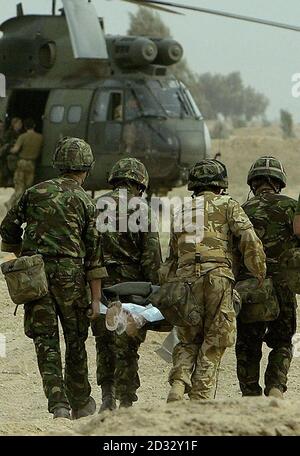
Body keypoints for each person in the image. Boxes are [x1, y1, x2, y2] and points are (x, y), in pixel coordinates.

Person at [0, 137, 108, 419]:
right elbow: (95, 258)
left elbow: (7, 229)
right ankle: (81, 402)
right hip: (71, 279)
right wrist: (96, 300)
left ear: (58, 163)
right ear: (86, 168)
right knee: (75, 341)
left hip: (35, 277)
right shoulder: (86, 201)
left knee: (45, 342)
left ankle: (58, 404)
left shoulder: (34, 192)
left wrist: (22, 252)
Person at [163, 159, 266, 402]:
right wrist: (258, 269)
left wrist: (171, 287)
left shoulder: (181, 211)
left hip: (185, 280)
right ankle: (200, 398)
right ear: (221, 185)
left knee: (188, 338)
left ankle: (178, 382)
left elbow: (172, 255)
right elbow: (248, 238)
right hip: (218, 278)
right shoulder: (228, 204)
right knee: (215, 339)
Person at [92, 157, 162, 411]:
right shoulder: (142, 209)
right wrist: (156, 293)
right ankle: (125, 401)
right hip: (132, 290)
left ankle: (107, 396)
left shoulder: (95, 206)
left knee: (104, 342)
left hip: (99, 288)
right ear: (140, 185)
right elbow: (152, 257)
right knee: (126, 345)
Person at [235, 156, 299, 399]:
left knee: (247, 346)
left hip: (251, 289)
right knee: (282, 342)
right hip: (283, 288)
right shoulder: (293, 208)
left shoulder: (241, 210)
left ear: (253, 184)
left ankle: (250, 394)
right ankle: (275, 388)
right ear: (279, 184)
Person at [6, 118, 43, 210]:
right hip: (32, 164)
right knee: (28, 187)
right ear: (34, 126)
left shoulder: (22, 136)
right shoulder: (40, 137)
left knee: (19, 186)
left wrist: (8, 149)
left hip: (22, 163)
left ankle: (10, 203)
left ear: (25, 127)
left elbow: (15, 150)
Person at [0, 117, 23, 187]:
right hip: (8, 157)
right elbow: (5, 145)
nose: (21, 125)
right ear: (14, 124)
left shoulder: (19, 133)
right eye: (19, 123)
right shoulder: (9, 133)